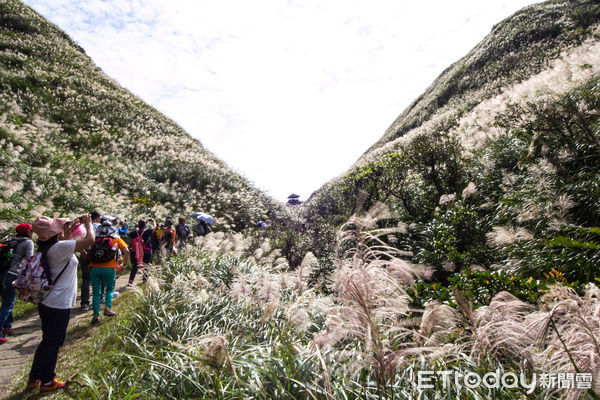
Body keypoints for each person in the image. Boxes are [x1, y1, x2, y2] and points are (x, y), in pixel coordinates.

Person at [26, 214, 94, 393]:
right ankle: (47, 381)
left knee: (47, 340)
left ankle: (34, 378)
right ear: (54, 234)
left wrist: (69, 230)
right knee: (53, 343)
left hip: (48, 302)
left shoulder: (47, 247)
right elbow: (90, 239)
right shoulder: (60, 248)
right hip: (58, 304)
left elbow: (66, 242)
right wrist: (88, 223)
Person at [89, 221, 129, 324]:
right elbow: (127, 251)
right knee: (109, 289)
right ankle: (107, 308)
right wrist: (124, 264)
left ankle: (95, 315)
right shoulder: (116, 239)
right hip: (109, 268)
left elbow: (87, 249)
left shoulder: (95, 239)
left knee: (96, 293)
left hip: (94, 268)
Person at [0, 223, 34, 343]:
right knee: (8, 303)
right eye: (31, 231)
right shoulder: (28, 243)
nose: (32, 233)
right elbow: (30, 260)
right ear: (27, 232)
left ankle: (7, 327)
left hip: (2, 274)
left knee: (6, 301)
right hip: (13, 274)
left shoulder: (10, 241)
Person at [79, 211, 101, 311]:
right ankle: (97, 300)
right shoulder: (98, 227)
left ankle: (84, 303)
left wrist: (82, 250)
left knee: (86, 279)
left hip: (84, 253)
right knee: (97, 277)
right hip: (95, 253)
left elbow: (76, 239)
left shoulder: (81, 227)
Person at [127, 220, 153, 288]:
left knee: (135, 266)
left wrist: (137, 229)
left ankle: (130, 281)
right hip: (146, 251)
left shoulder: (135, 232)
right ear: (145, 226)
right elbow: (155, 228)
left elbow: (130, 234)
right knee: (146, 266)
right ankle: (145, 280)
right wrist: (153, 221)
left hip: (137, 251)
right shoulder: (147, 231)